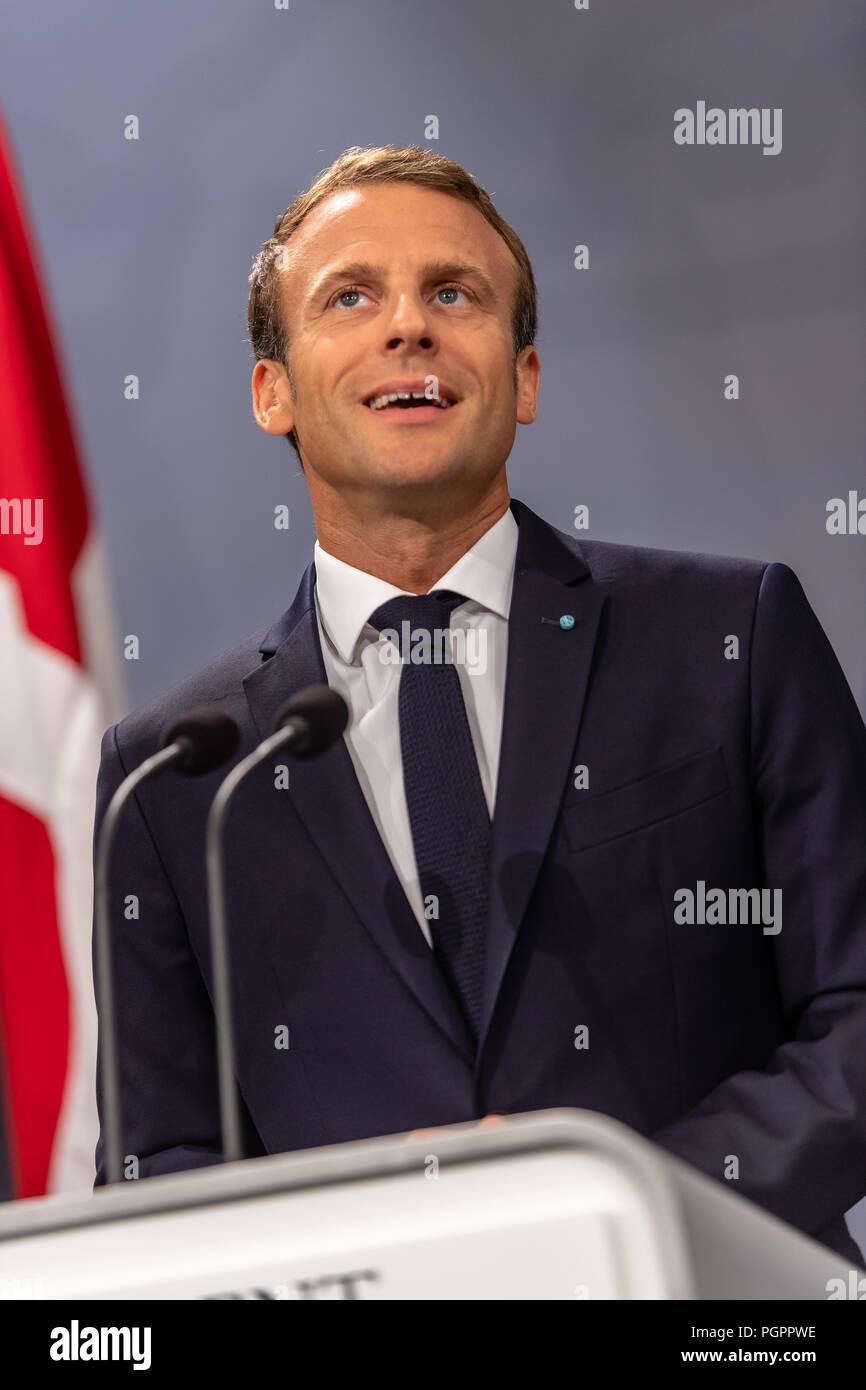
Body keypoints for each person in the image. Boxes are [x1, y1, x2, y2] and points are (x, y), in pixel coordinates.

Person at [93, 144, 866, 1266]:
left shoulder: (730, 638)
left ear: (526, 375)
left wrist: (609, 1206)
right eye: (349, 296)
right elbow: (154, 1166)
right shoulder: (175, 773)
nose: (407, 327)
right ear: (272, 392)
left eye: (452, 293)